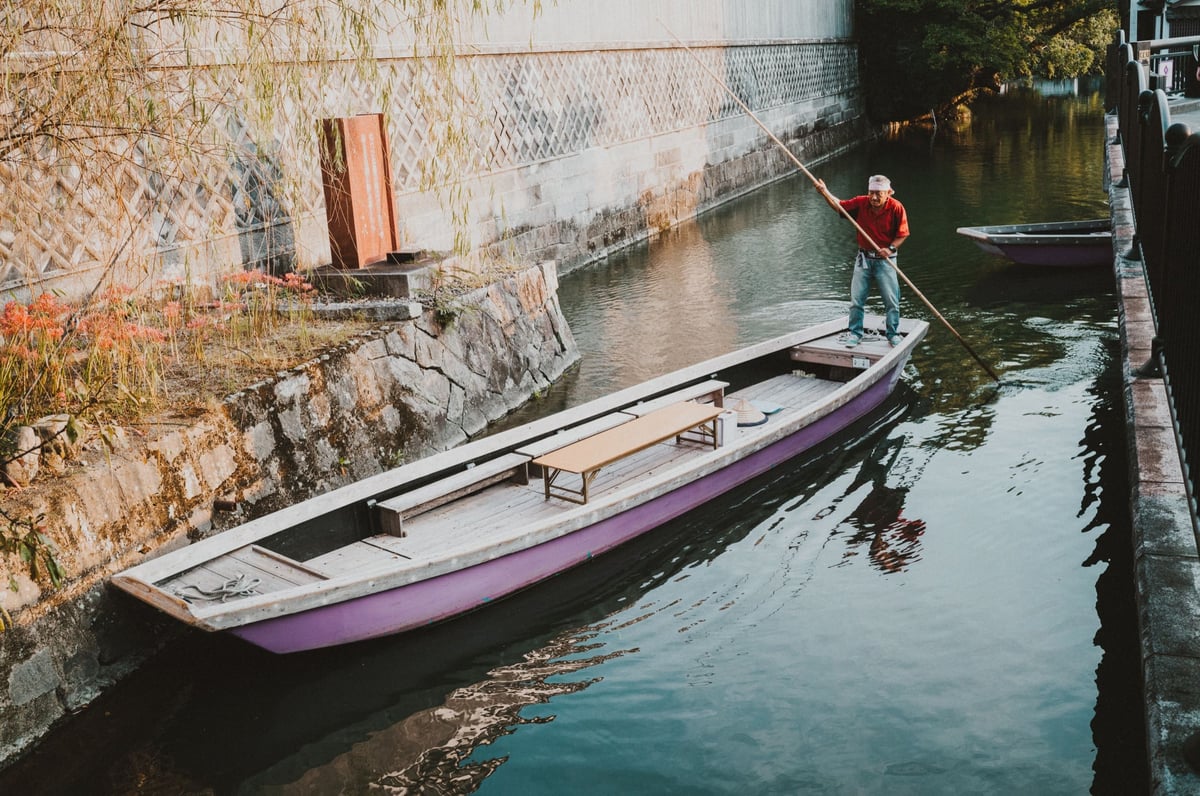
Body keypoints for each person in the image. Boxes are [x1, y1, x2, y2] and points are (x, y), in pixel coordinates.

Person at [815, 174, 910, 347]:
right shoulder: (861, 203)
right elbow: (840, 207)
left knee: (891, 300)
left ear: (888, 193)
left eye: (878, 194)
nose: (873, 197)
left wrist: (890, 249)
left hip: (886, 260)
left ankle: (893, 334)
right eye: (871, 192)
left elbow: (902, 234)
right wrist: (825, 193)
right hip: (864, 259)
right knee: (857, 300)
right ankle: (855, 333)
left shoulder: (896, 208)